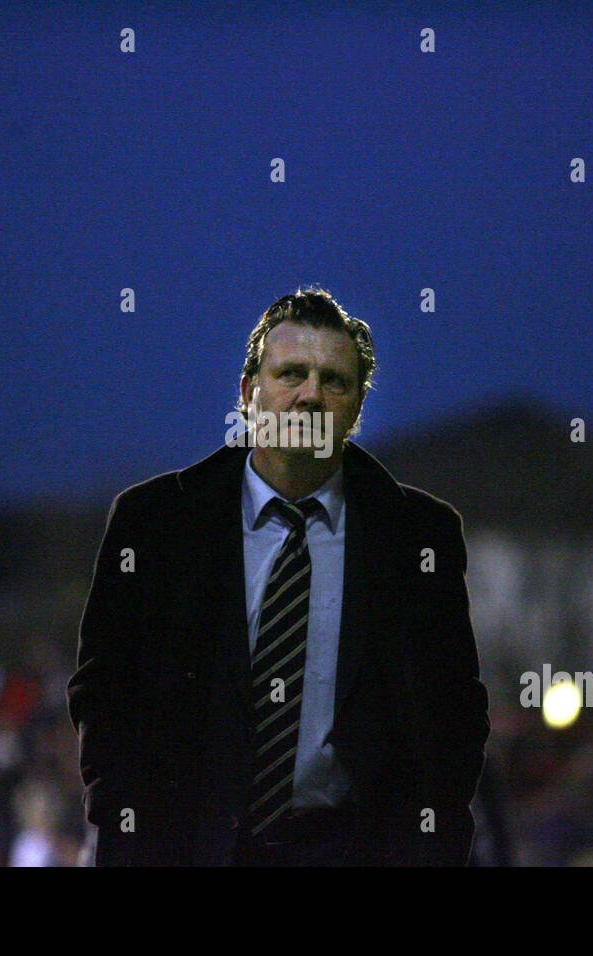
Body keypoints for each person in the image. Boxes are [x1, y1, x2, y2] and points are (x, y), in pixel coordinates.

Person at [66, 286, 489, 865]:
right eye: (291, 373)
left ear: (357, 409)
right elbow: (104, 693)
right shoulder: (155, 522)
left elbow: (453, 717)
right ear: (248, 394)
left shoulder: (418, 535)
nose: (311, 394)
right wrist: (126, 828)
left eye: (334, 380)